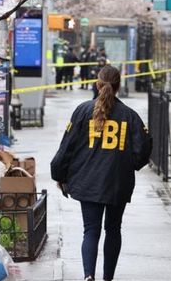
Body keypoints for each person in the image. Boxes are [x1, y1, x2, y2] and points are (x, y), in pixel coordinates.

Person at [50, 65, 152, 281]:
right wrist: (129, 164)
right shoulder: (130, 116)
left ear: (97, 85)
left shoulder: (83, 111)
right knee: (114, 229)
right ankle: (108, 278)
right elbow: (144, 148)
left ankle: (88, 275)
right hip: (118, 182)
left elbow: (67, 146)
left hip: (88, 182)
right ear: (118, 86)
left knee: (90, 230)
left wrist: (59, 174)